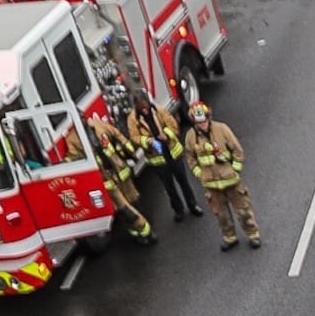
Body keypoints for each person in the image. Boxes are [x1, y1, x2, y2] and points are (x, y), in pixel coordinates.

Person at [184, 101, 261, 250]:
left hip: (231, 181)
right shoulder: (190, 137)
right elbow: (191, 159)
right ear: (194, 121)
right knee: (222, 215)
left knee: (243, 211)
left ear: (208, 117)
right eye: (199, 122)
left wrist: (234, 170)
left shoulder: (222, 129)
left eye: (204, 121)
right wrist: (200, 174)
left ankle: (253, 235)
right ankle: (230, 238)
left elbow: (238, 151)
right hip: (212, 185)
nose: (203, 125)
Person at [127, 92, 201, 221]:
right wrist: (148, 141)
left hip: (171, 152)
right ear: (136, 107)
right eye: (140, 108)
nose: (144, 110)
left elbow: (173, 125)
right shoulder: (133, 119)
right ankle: (178, 210)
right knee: (169, 186)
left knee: (183, 181)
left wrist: (166, 135)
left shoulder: (159, 110)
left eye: (145, 106)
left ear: (148, 102)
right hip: (157, 158)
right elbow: (134, 138)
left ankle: (193, 205)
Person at [93, 117, 155, 247]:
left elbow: (116, 133)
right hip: (108, 180)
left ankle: (142, 227)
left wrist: (128, 148)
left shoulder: (98, 126)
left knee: (134, 198)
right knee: (124, 208)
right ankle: (142, 232)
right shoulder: (75, 140)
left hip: (121, 170)